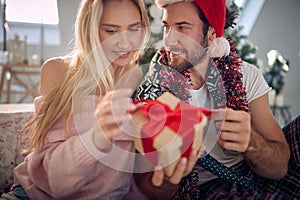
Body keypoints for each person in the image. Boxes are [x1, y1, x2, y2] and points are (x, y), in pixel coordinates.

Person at [133, 0, 299, 199]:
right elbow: (147, 188)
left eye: (183, 27)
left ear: (211, 33)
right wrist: (171, 173)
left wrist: (250, 142)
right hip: (205, 189)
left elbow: (280, 167)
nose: (169, 40)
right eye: (167, 26)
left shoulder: (246, 75)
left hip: (252, 170)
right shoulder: (151, 90)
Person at [1, 0, 152, 199]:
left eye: (133, 29)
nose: (125, 43)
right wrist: (96, 138)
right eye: (112, 31)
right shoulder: (58, 72)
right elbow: (54, 180)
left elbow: (135, 177)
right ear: (89, 30)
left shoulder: (142, 79)